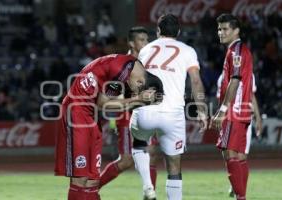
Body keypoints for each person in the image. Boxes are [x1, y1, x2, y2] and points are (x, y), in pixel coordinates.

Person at [54, 54, 156, 200]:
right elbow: (104, 104)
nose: (131, 90)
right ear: (140, 81)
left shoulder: (129, 66)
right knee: (80, 177)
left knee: (93, 179)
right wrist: (138, 98)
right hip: (76, 112)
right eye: (136, 89)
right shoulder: (121, 70)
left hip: (91, 115)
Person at [130, 14, 207, 200]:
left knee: (139, 143)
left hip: (146, 109)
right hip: (173, 113)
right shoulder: (188, 51)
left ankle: (148, 187)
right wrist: (202, 110)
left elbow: (135, 80)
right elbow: (195, 81)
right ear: (178, 32)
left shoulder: (146, 50)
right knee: (174, 166)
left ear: (158, 31)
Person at [99, 26, 159, 190]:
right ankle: (92, 187)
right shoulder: (121, 65)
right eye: (142, 40)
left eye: (147, 39)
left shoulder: (148, 64)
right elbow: (111, 95)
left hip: (146, 115)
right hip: (126, 116)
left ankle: (150, 194)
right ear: (131, 43)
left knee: (152, 155)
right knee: (126, 161)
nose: (146, 43)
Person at [210, 13, 254, 200]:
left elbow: (235, 80)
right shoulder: (242, 49)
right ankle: (241, 196)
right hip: (242, 109)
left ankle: (240, 197)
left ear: (236, 30)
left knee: (230, 154)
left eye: (225, 28)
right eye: (219, 29)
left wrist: (223, 110)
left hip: (234, 111)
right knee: (240, 156)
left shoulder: (235, 51)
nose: (220, 32)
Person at [218, 74, 262, 197]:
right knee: (233, 156)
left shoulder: (250, 74)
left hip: (241, 118)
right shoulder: (223, 76)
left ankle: (240, 192)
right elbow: (221, 98)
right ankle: (238, 190)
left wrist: (258, 117)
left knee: (240, 157)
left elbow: (251, 95)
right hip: (233, 117)